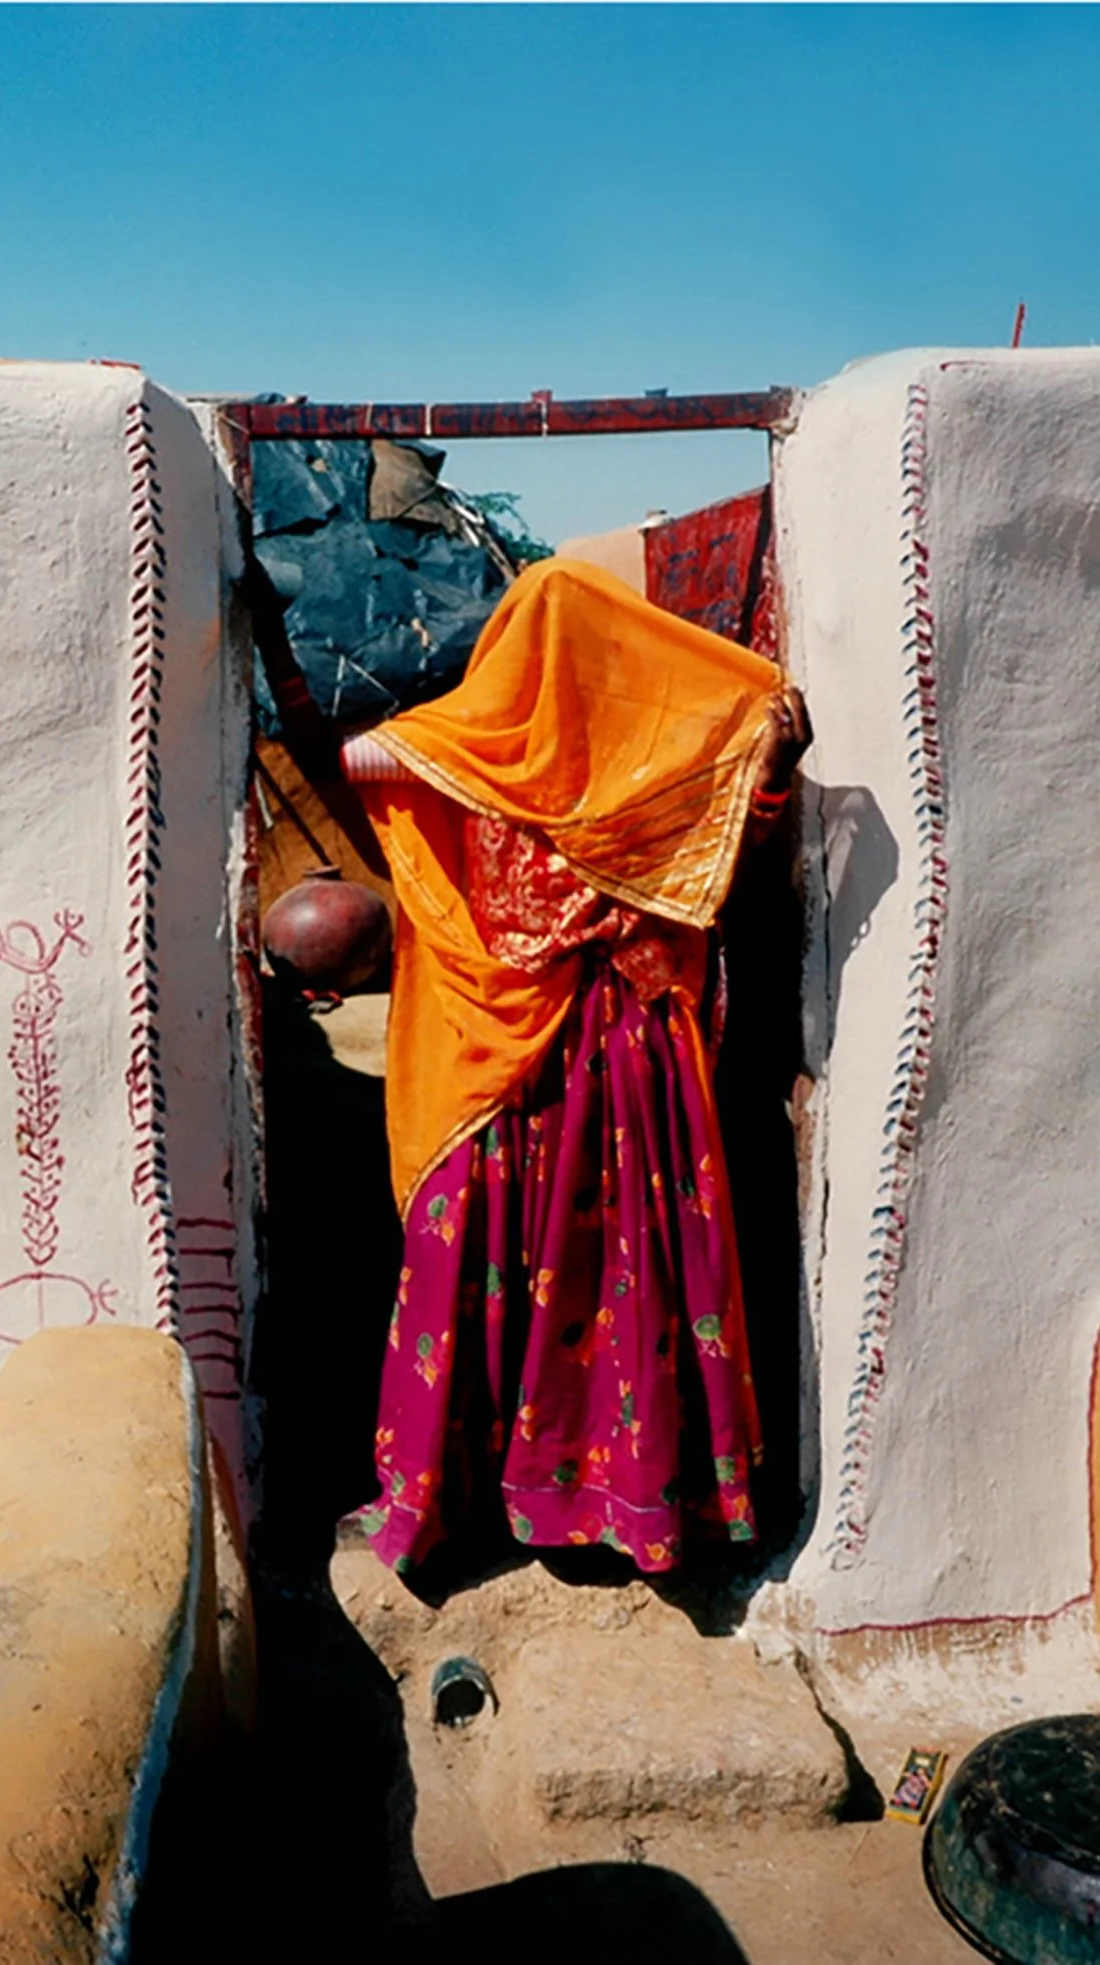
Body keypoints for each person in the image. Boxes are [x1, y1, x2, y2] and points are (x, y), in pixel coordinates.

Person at [343, 556, 810, 1578]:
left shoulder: (570, 765)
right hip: (586, 1060)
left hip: (582, 1058)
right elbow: (359, 758)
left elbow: (357, 756)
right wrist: (763, 763)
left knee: (567, 1268)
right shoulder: (501, 756)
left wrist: (765, 765)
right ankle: (546, 1496)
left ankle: (590, 1499)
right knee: (591, 1268)